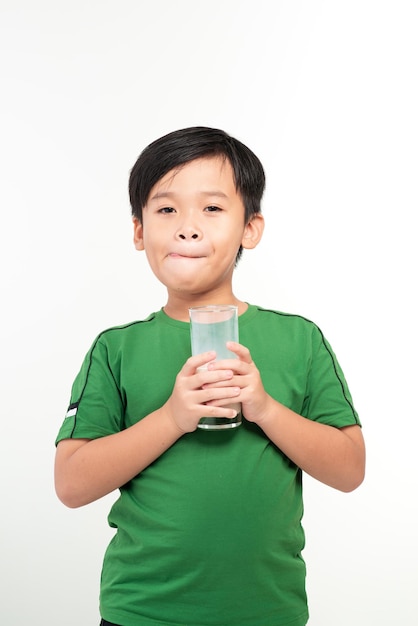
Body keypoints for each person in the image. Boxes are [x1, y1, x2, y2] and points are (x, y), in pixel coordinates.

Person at [54, 126, 365, 626]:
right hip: (141, 612)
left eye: (213, 209)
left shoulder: (301, 340)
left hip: (268, 613)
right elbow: (70, 483)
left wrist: (264, 408)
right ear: (139, 231)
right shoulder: (116, 349)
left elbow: (350, 469)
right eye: (166, 209)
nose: (188, 228)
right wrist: (173, 416)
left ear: (251, 228)